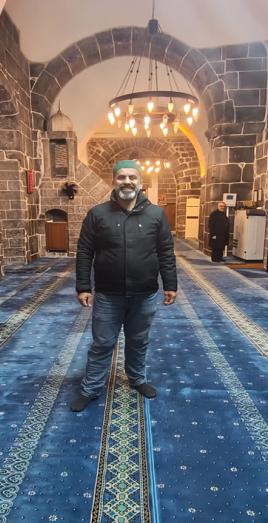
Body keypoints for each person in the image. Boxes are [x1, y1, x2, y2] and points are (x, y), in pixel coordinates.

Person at [70, 160, 178, 412]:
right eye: (121, 177)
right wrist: (83, 286)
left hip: (145, 294)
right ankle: (91, 388)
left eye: (132, 177)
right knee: (102, 343)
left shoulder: (156, 214)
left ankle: (137, 379)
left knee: (139, 341)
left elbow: (166, 252)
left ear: (140, 182)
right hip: (108, 294)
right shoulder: (97, 214)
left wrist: (170, 284)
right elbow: (84, 252)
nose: (127, 182)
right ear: (114, 181)